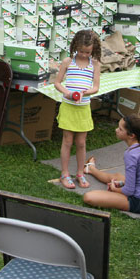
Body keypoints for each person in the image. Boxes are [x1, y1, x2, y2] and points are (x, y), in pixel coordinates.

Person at [83, 114, 140, 214]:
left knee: (89, 197)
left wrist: (114, 189)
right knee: (117, 176)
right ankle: (91, 169)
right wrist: (121, 184)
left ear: (131, 135)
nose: (116, 130)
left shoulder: (132, 154)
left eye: (120, 129)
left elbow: (129, 191)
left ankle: (91, 169)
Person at [53, 30, 101, 189]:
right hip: (68, 107)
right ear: (75, 47)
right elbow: (57, 83)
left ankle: (80, 173)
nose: (84, 54)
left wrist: (84, 93)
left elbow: (96, 87)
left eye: (87, 52)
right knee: (67, 141)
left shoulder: (95, 64)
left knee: (81, 142)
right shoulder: (68, 61)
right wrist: (68, 93)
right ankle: (65, 174)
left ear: (93, 49)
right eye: (81, 51)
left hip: (83, 108)